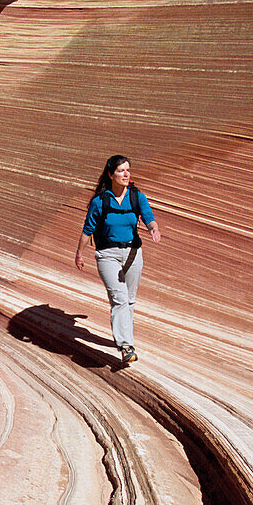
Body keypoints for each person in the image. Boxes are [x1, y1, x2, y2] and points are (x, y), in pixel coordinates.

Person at [74, 155, 161, 363]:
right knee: (120, 299)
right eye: (121, 171)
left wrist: (153, 228)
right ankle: (126, 346)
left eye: (128, 170)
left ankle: (125, 340)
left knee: (129, 299)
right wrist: (79, 253)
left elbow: (148, 215)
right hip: (107, 255)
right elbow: (88, 230)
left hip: (133, 253)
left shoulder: (136, 196)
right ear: (111, 174)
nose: (126, 174)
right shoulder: (100, 202)